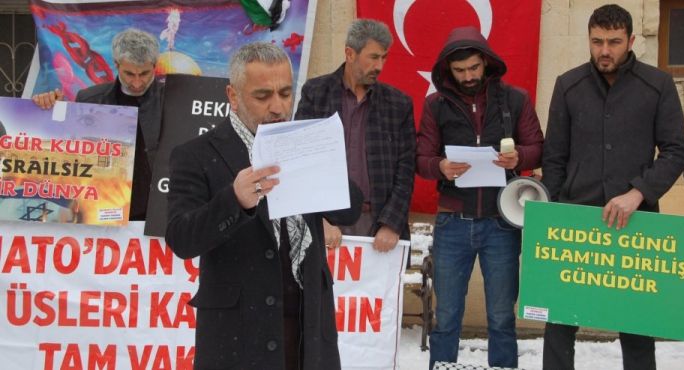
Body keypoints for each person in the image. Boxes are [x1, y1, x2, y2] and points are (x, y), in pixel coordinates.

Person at [165, 42, 362, 370]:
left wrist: (322, 164)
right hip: (238, 338)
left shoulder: (307, 141)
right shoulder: (195, 154)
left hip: (309, 331)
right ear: (233, 95)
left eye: (286, 93)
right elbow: (181, 239)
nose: (278, 107)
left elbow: (349, 211)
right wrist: (235, 200)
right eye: (263, 96)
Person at [541, 4, 684, 370]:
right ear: (588, 41)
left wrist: (639, 191)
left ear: (631, 41)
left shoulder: (658, 86)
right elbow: (554, 157)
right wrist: (555, 218)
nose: (604, 50)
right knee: (559, 323)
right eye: (597, 42)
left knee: (637, 327)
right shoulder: (568, 85)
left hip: (636, 223)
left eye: (613, 42)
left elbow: (675, 151)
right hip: (575, 223)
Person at [415, 26, 544, 369]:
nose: (468, 76)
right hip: (452, 222)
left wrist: (520, 158)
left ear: (486, 63)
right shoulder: (435, 105)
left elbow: (538, 147)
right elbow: (420, 158)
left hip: (501, 222)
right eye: (460, 71)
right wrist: (440, 166)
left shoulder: (515, 99)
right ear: (447, 70)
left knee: (502, 316)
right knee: (447, 316)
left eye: (474, 68)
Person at [295, 19, 415, 251]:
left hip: (378, 222)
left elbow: (406, 168)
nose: (380, 65)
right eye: (373, 57)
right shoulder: (316, 93)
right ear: (350, 53)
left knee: (376, 290)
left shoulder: (398, 103)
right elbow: (302, 160)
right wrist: (318, 219)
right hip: (326, 220)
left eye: (384, 57)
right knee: (316, 287)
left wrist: (391, 223)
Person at [32, 28, 163, 221]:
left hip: (159, 213)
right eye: (129, 74)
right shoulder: (90, 99)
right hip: (105, 214)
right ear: (116, 65)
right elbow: (65, 150)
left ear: (154, 66)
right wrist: (48, 107)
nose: (137, 82)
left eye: (144, 73)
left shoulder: (173, 99)